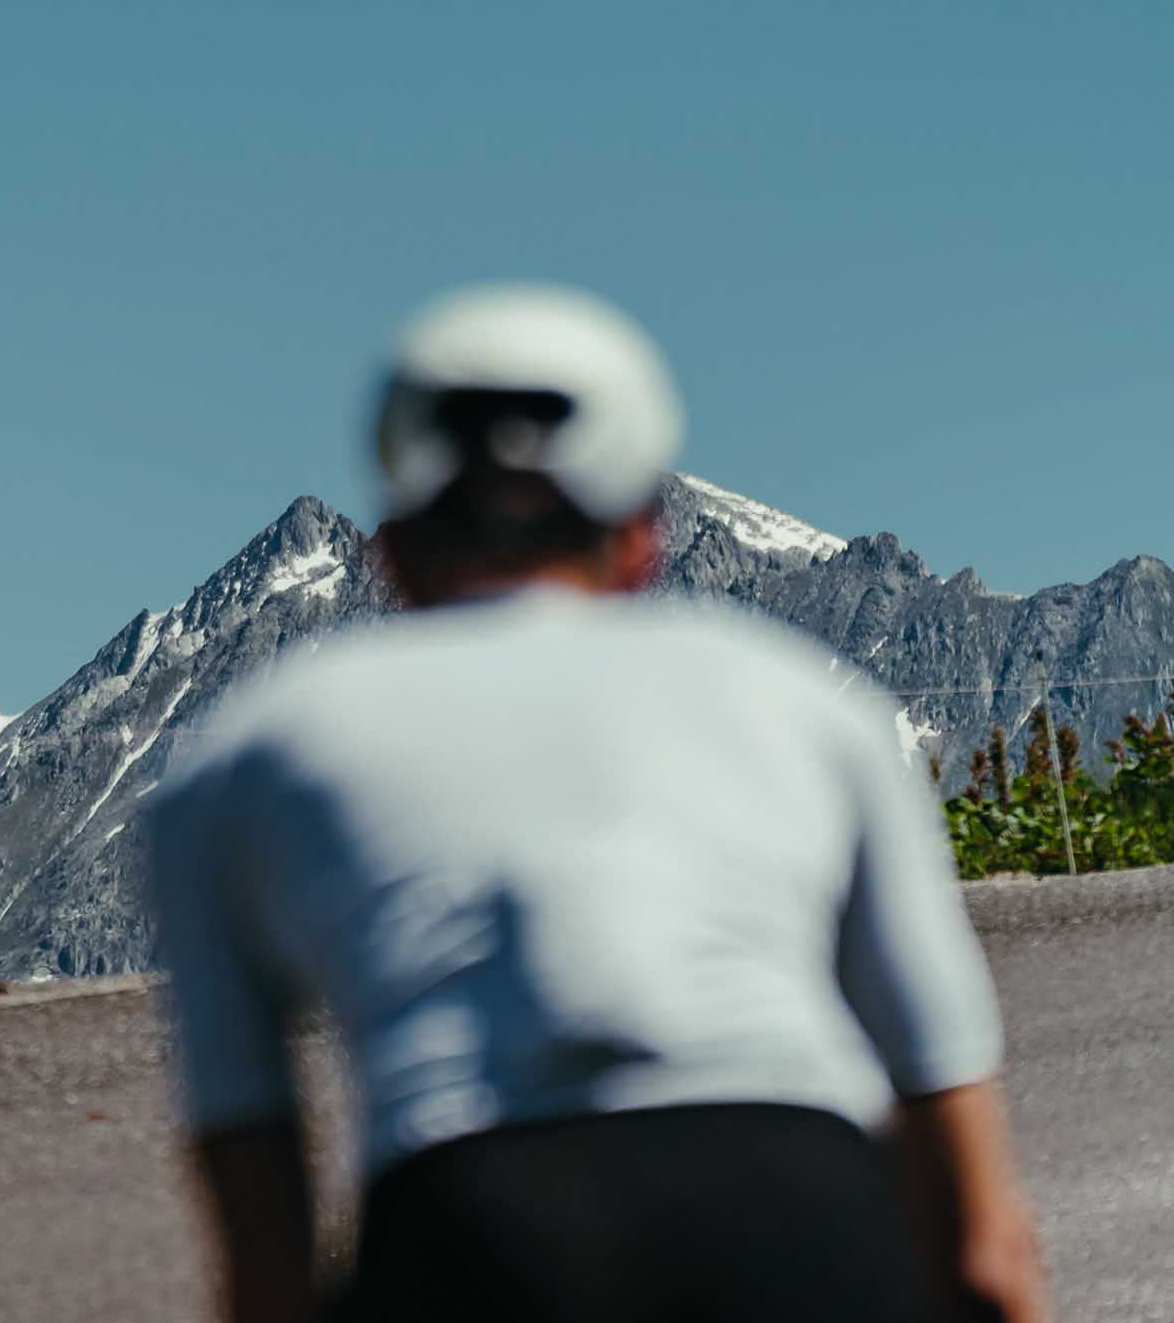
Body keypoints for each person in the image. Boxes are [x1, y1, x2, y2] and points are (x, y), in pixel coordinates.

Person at [144, 285, 1047, 1323]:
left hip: (472, 1226)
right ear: (641, 544)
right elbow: (985, 1245)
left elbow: (266, 1263)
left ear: (387, 552)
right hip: (803, 1201)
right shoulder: (805, 699)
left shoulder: (239, 759)